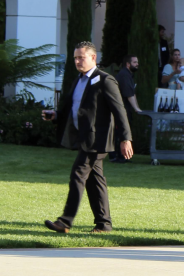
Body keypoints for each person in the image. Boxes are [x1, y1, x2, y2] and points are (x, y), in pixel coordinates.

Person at [43, 41, 132, 234]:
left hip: (97, 141)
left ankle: (65, 221)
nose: (77, 61)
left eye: (81, 57)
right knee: (95, 180)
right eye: (75, 57)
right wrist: (56, 115)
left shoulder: (105, 80)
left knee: (78, 174)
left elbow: (120, 111)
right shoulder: (79, 79)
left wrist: (126, 138)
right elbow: (72, 107)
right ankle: (104, 224)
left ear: (93, 58)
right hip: (84, 139)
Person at [110, 54, 142, 164]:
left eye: (137, 62)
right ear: (128, 64)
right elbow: (129, 94)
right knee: (121, 132)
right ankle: (118, 156)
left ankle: (119, 156)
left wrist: (137, 107)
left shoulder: (128, 75)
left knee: (120, 132)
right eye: (134, 62)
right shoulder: (124, 75)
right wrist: (137, 109)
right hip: (120, 110)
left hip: (122, 109)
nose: (137, 64)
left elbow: (132, 94)